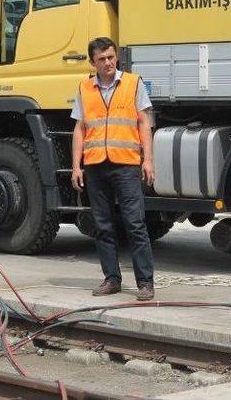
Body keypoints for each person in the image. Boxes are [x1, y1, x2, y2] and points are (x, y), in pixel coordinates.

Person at [70, 37, 156, 300]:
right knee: (103, 225)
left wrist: (148, 160)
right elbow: (79, 128)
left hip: (126, 163)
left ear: (116, 56)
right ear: (92, 62)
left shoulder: (132, 83)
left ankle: (145, 283)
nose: (107, 63)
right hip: (95, 165)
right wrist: (76, 166)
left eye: (110, 57)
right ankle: (112, 279)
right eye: (101, 59)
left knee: (135, 223)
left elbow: (144, 122)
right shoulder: (85, 87)